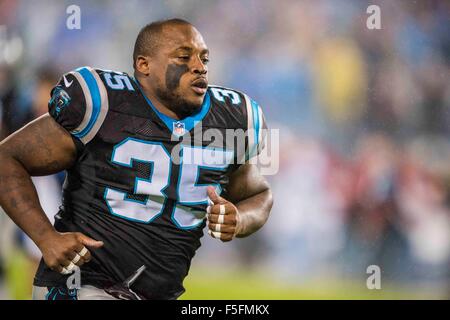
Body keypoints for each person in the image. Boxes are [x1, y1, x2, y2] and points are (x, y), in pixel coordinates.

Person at [0, 18, 273, 300]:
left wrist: (239, 218)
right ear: (144, 65)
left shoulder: (230, 120)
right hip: (83, 285)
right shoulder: (105, 106)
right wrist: (45, 237)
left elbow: (258, 194)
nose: (199, 67)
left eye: (204, 58)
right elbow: (6, 158)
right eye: (184, 57)